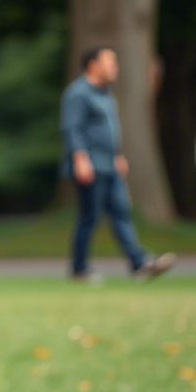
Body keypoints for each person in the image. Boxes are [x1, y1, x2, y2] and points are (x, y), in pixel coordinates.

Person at [60, 46, 175, 282]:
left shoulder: (105, 93)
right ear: (93, 64)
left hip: (109, 164)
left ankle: (139, 262)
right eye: (109, 62)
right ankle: (79, 268)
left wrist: (117, 155)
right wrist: (80, 159)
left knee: (122, 212)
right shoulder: (78, 93)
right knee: (89, 217)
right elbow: (72, 128)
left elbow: (108, 130)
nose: (115, 67)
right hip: (90, 165)